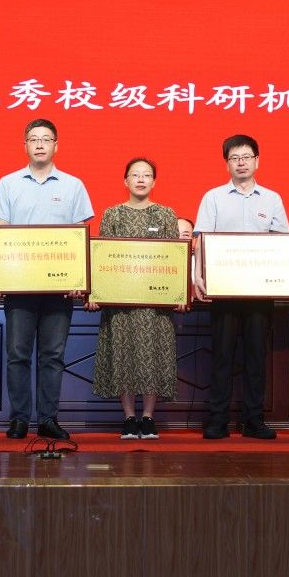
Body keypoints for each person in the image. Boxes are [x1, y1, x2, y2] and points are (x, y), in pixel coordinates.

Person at [0, 118, 94, 441]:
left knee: (53, 356)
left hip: (59, 289)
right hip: (19, 287)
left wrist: (79, 278)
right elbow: (0, 234)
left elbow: (80, 235)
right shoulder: (8, 184)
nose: (40, 144)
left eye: (46, 139)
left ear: (56, 145)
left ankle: (48, 419)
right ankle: (20, 419)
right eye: (34, 139)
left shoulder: (73, 185)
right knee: (17, 355)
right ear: (25, 145)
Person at [193, 134, 289, 440]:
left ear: (257, 161)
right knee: (221, 355)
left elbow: (282, 242)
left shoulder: (272, 199)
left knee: (256, 357)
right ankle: (217, 419)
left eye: (246, 157)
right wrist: (197, 277)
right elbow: (201, 240)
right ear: (227, 164)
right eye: (234, 158)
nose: (241, 163)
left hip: (259, 291)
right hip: (223, 290)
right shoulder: (213, 197)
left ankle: (253, 420)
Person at [87, 158, 181, 440]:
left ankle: (148, 417)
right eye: (135, 175)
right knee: (123, 355)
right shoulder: (112, 214)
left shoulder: (166, 215)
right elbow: (103, 258)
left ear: (154, 181)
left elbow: (174, 257)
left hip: (155, 301)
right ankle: (129, 417)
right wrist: (96, 293)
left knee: (153, 354)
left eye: (146, 175)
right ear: (125, 181)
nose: (141, 179)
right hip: (121, 301)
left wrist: (179, 292)